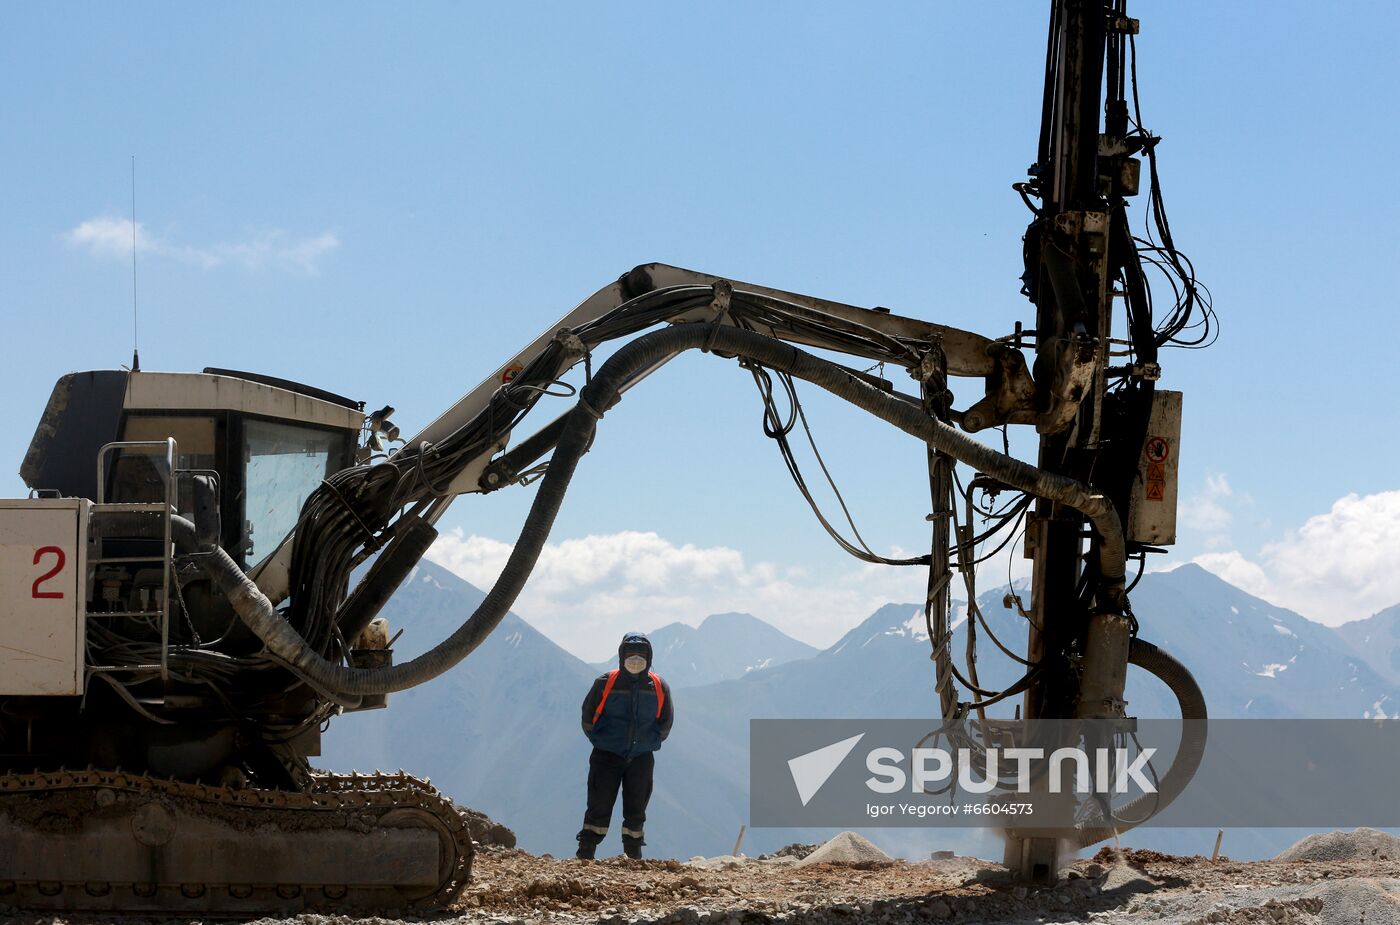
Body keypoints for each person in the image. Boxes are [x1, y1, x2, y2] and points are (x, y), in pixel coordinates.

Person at [576, 631, 673, 860]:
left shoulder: (658, 686)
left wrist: (650, 742)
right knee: (598, 805)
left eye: (641, 654)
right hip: (606, 756)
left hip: (641, 758)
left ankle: (633, 856)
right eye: (631, 654)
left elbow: (665, 722)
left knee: (636, 808)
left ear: (649, 657)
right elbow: (587, 716)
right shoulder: (605, 683)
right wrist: (600, 742)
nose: (635, 659)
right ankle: (585, 855)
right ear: (621, 655)